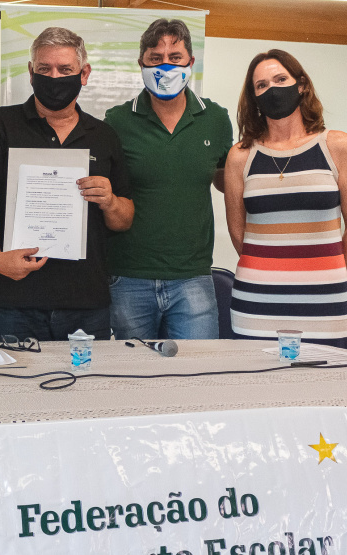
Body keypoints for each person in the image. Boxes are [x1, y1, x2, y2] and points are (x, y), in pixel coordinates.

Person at [0, 27, 134, 342]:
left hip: (87, 303)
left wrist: (110, 201)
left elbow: (124, 218)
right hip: (18, 300)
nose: (54, 77)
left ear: (84, 74)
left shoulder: (103, 135)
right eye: (44, 69)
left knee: (88, 389)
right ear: (31, 72)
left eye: (65, 69)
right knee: (15, 389)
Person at [224, 49, 347, 348]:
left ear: (301, 85)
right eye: (261, 85)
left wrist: (334, 274)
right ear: (253, 96)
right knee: (255, 388)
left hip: (325, 298)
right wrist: (269, 269)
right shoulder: (240, 156)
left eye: (280, 79)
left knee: (324, 387)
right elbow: (238, 231)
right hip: (256, 298)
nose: (272, 90)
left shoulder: (337, 145)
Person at [104, 19, 233, 341]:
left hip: (192, 276)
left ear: (190, 62)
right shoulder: (117, 120)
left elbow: (225, 180)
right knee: (131, 378)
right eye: (155, 58)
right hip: (128, 276)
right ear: (141, 64)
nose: (165, 65)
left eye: (174, 57)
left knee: (195, 378)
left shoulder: (216, 119)